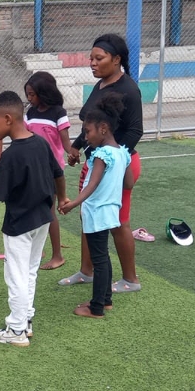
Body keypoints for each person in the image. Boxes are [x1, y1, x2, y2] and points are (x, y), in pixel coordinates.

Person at [0, 89, 60, 346]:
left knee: (16, 275)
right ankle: (25, 320)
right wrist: (64, 198)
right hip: (43, 219)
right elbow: (58, 173)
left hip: (19, 225)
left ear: (8, 119)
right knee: (29, 271)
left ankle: (16, 330)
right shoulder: (40, 143)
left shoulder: (10, 156)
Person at [59, 32, 145, 296]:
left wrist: (115, 159)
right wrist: (77, 146)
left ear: (116, 59)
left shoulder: (129, 89)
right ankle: (87, 271)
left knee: (118, 222)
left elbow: (135, 131)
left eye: (99, 58)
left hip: (118, 166)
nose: (92, 63)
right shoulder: (101, 85)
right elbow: (92, 123)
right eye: (91, 58)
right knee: (89, 216)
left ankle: (130, 279)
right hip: (96, 162)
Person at [59, 93, 132, 319]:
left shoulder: (101, 154)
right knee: (103, 257)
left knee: (99, 259)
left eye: (87, 131)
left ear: (103, 128)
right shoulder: (122, 152)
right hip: (111, 211)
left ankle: (97, 307)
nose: (85, 137)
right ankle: (105, 300)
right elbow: (129, 182)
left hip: (96, 212)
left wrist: (73, 204)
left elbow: (92, 184)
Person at [23, 71, 71, 270]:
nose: (29, 98)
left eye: (32, 94)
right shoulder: (30, 113)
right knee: (34, 208)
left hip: (51, 170)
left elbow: (65, 141)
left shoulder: (58, 112)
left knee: (49, 211)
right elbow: (24, 135)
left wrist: (72, 152)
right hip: (32, 167)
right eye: (27, 94)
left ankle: (57, 255)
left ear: (44, 92)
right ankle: (38, 248)